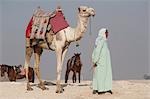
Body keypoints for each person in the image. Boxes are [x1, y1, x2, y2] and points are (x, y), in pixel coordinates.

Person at [92, 28, 113, 95]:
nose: (107, 34)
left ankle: (102, 88)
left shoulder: (100, 40)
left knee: (103, 75)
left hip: (103, 62)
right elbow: (97, 51)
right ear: (103, 33)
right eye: (106, 33)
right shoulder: (101, 41)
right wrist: (95, 60)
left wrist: (94, 59)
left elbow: (94, 51)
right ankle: (100, 90)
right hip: (101, 62)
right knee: (101, 76)